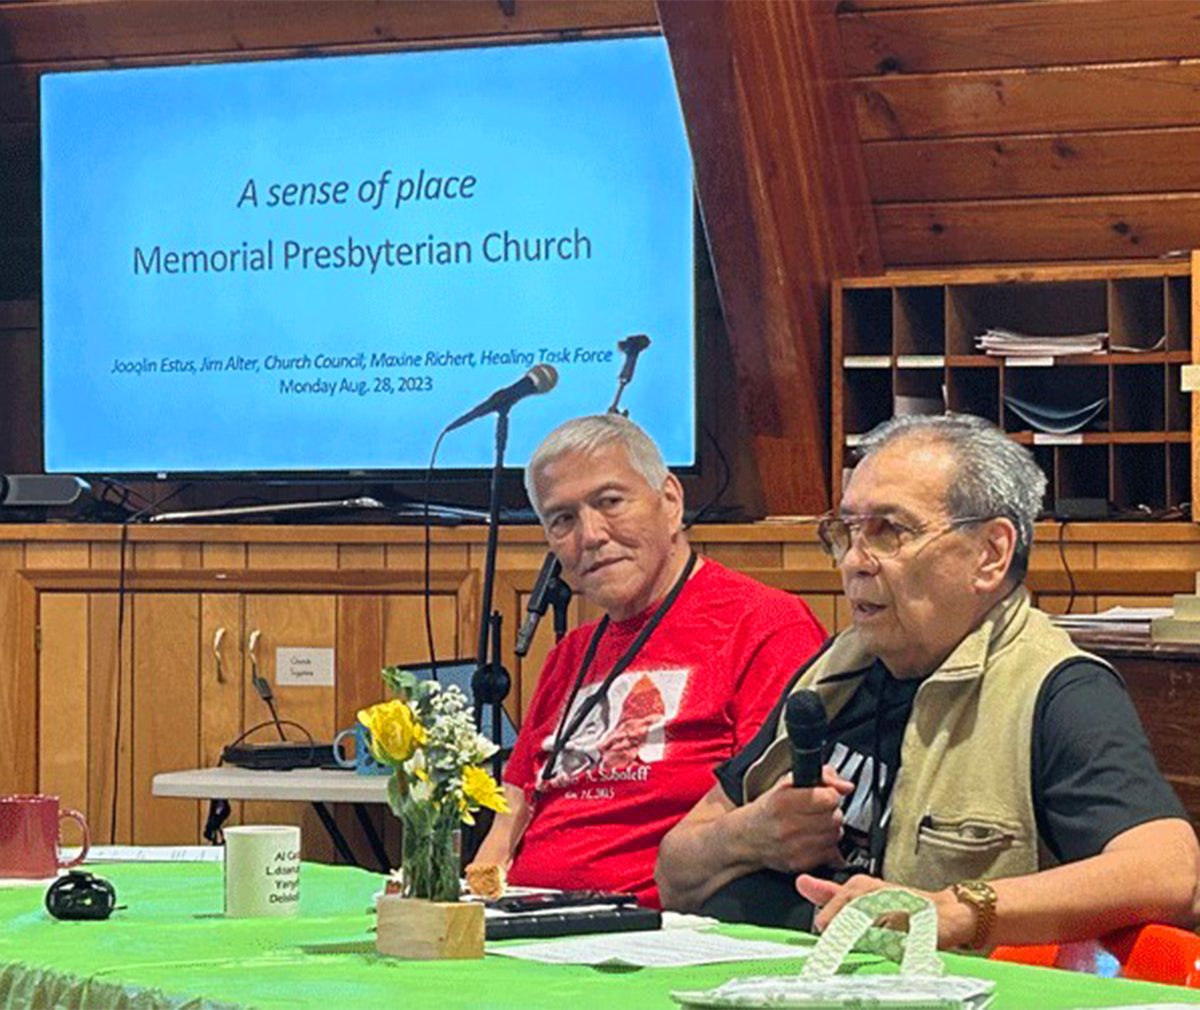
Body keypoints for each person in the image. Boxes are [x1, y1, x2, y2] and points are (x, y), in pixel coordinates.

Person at [656, 412, 1200, 948]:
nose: (854, 561)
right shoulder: (834, 671)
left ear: (991, 554)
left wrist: (946, 911)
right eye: (846, 531)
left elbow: (1168, 873)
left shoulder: (1056, 689)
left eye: (888, 531)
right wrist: (751, 835)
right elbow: (676, 870)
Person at [471, 414, 826, 907]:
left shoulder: (766, 625)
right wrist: (472, 897)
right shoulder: (570, 655)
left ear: (671, 502)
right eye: (562, 519)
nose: (590, 535)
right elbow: (514, 803)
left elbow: (770, 808)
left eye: (610, 502)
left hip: (653, 925)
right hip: (525, 918)